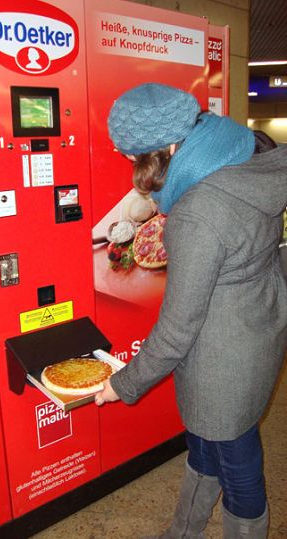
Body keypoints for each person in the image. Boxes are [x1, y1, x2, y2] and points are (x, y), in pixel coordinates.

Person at [95, 83, 287, 539]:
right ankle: (183, 532)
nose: (130, 164)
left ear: (165, 148)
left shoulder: (198, 211)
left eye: (132, 155)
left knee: (238, 467)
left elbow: (177, 328)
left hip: (221, 360)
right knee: (205, 447)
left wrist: (121, 385)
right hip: (256, 329)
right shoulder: (244, 157)